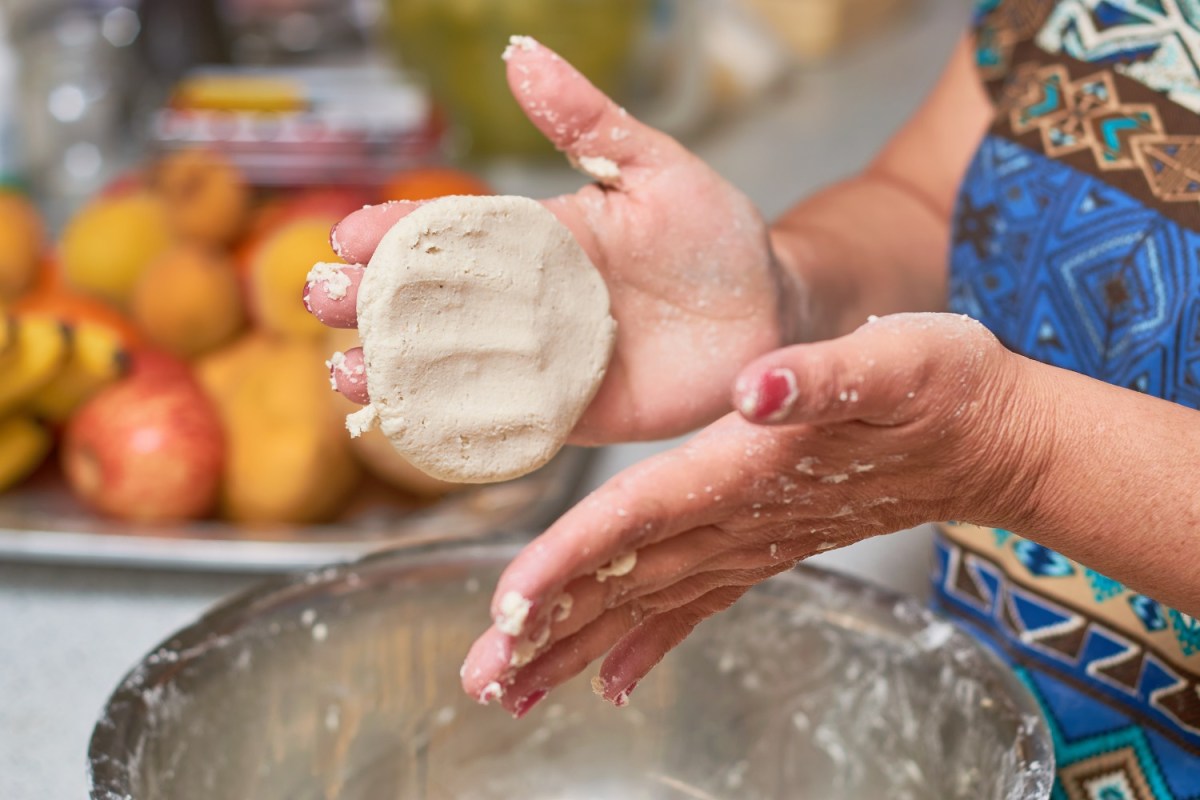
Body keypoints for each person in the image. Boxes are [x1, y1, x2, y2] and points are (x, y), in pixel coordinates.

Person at [306, 5, 1200, 795]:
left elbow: (1010, 445)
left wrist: (1018, 454)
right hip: (1013, 709)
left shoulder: (1001, 454)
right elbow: (935, 199)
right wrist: (791, 283)